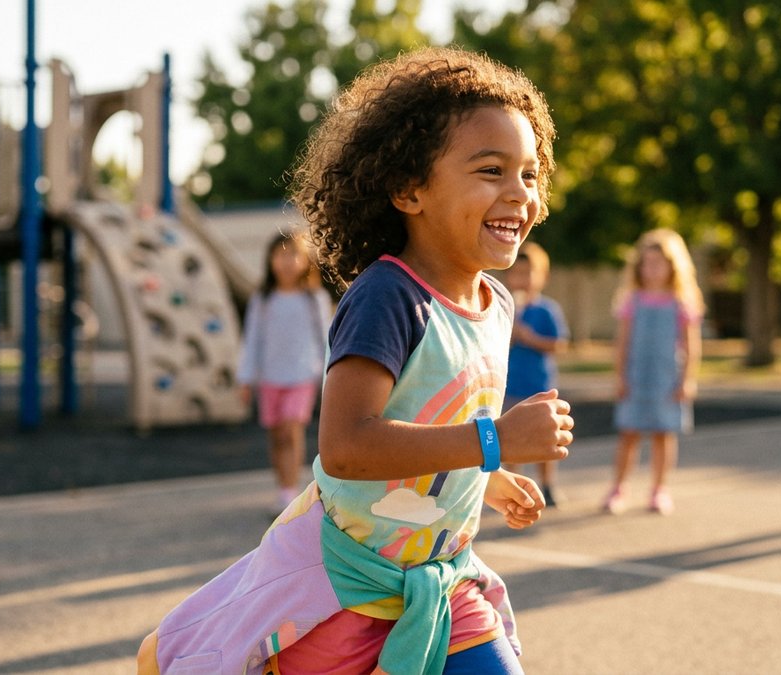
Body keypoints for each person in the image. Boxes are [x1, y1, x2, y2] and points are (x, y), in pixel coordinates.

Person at [137, 47, 572, 675]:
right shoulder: (388, 296)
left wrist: (485, 477)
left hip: (441, 580)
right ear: (408, 189)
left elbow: (430, 427)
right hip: (345, 590)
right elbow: (346, 447)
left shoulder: (496, 302)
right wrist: (492, 442)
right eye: (491, 170)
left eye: (529, 174)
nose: (519, 194)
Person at [601, 229, 703, 516]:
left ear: (673, 266)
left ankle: (659, 489)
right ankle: (618, 487)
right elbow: (622, 343)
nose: (652, 269)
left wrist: (687, 380)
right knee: (629, 434)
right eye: (647, 263)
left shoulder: (681, 301)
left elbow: (691, 346)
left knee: (663, 434)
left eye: (659, 263)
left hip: (666, 378)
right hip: (636, 377)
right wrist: (620, 376)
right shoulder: (632, 301)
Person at [237, 231, 333, 514]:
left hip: (302, 375)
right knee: (277, 435)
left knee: (292, 430)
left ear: (305, 261)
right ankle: (282, 488)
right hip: (270, 377)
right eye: (281, 254)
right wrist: (245, 378)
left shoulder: (314, 298)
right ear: (270, 260)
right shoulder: (263, 299)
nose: (287, 261)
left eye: (294, 254)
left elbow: (327, 338)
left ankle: (291, 492)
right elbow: (252, 338)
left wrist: (328, 378)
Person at [503, 242, 570, 507]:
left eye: (529, 273)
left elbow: (559, 344)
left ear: (543, 277)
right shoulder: (505, 307)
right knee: (511, 436)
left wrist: (529, 337)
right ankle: (513, 484)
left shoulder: (546, 310)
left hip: (539, 384)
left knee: (546, 437)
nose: (523, 279)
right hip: (510, 385)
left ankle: (547, 484)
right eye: (517, 273)